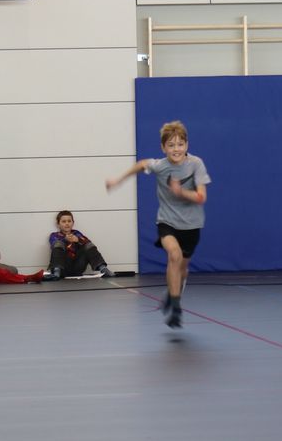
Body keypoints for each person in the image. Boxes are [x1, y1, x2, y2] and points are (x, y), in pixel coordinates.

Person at [106, 120, 210, 328]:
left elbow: (201, 197)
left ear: (187, 145)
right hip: (167, 221)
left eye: (180, 144)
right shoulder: (161, 166)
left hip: (192, 225)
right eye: (171, 145)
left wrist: (181, 192)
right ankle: (176, 308)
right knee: (174, 255)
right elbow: (141, 164)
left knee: (182, 269)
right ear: (163, 148)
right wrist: (119, 180)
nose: (176, 149)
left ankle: (172, 293)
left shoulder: (196, 164)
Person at [45, 212, 114, 280]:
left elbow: (88, 243)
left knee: (87, 244)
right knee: (58, 243)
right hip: (63, 267)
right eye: (64, 221)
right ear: (58, 224)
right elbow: (54, 244)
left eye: (69, 221)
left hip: (77, 266)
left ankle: (103, 269)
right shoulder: (54, 235)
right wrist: (65, 239)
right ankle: (56, 272)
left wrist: (78, 240)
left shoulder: (76, 233)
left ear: (73, 223)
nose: (67, 223)